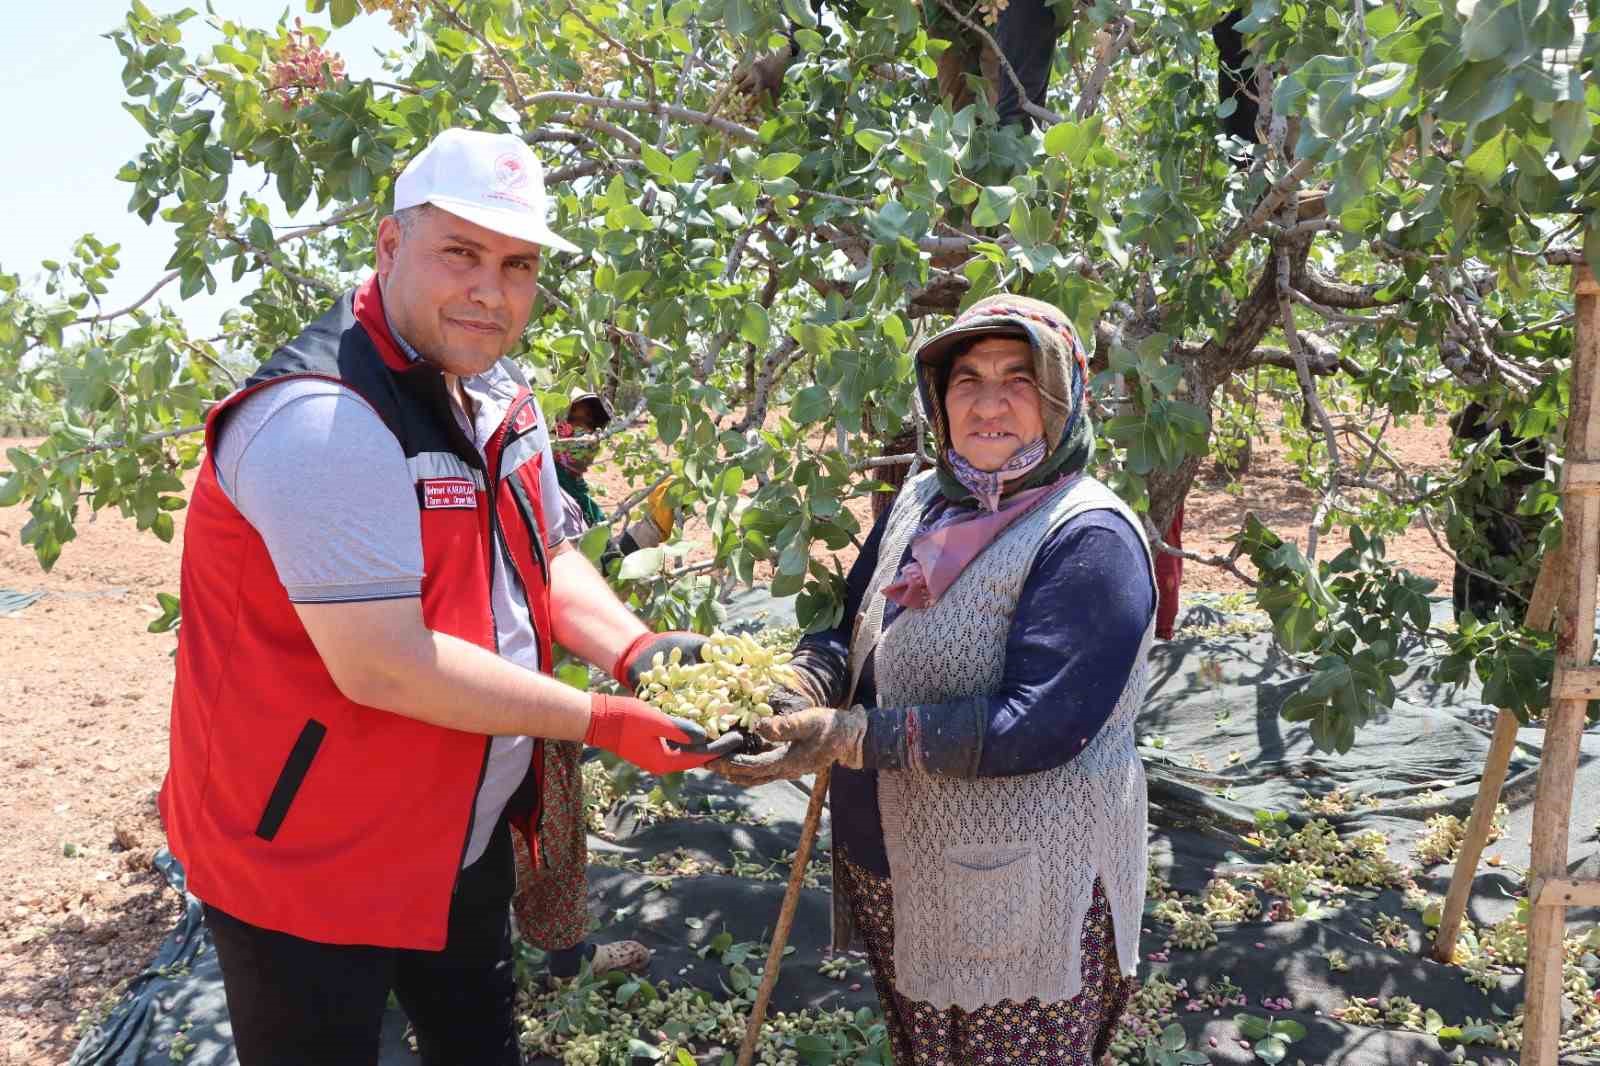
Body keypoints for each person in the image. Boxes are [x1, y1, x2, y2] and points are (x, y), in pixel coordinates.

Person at [159, 128, 715, 1066]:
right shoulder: (322, 418)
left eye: (517, 263)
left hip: (455, 834)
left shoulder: (492, 391)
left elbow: (547, 557)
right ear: (387, 246)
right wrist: (600, 716)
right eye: (460, 252)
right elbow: (387, 662)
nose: (490, 290)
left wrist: (638, 651)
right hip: (307, 861)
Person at [715, 295, 1154, 1063]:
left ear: (1065, 393)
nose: (989, 403)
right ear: (937, 398)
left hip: (1024, 886)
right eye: (966, 380)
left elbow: (1037, 726)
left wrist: (848, 736)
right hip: (901, 861)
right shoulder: (924, 499)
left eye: (1019, 379)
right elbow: (850, 624)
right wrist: (796, 694)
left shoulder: (1089, 537)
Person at [512, 390, 678, 984]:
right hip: (502, 695)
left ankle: (565, 958)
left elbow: (592, 571)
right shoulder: (520, 486)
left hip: (553, 691)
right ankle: (465, 971)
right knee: (507, 844)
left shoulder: (570, 499)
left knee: (555, 832)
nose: (583, 439)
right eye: (572, 425)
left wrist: (645, 535)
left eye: (592, 430)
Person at [735, 0, 1067, 130]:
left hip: (1020, 12)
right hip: (949, 14)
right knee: (960, 134)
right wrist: (783, 50)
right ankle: (964, 247)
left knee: (1008, 132)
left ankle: (1008, 253)